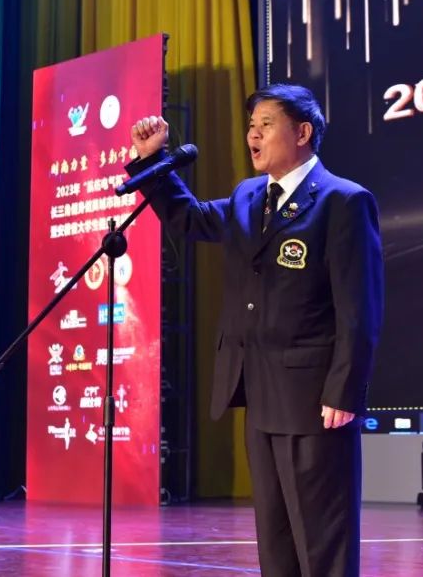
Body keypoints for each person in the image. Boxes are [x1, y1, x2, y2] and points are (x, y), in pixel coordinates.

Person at [127, 84, 384, 576]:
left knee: (322, 539)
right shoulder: (250, 195)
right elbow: (190, 220)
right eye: (251, 126)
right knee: (275, 535)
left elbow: (360, 309)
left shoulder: (343, 201)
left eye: (266, 124)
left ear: (302, 132)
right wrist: (152, 161)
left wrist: (344, 389)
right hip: (259, 390)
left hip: (314, 399)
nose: (253, 135)